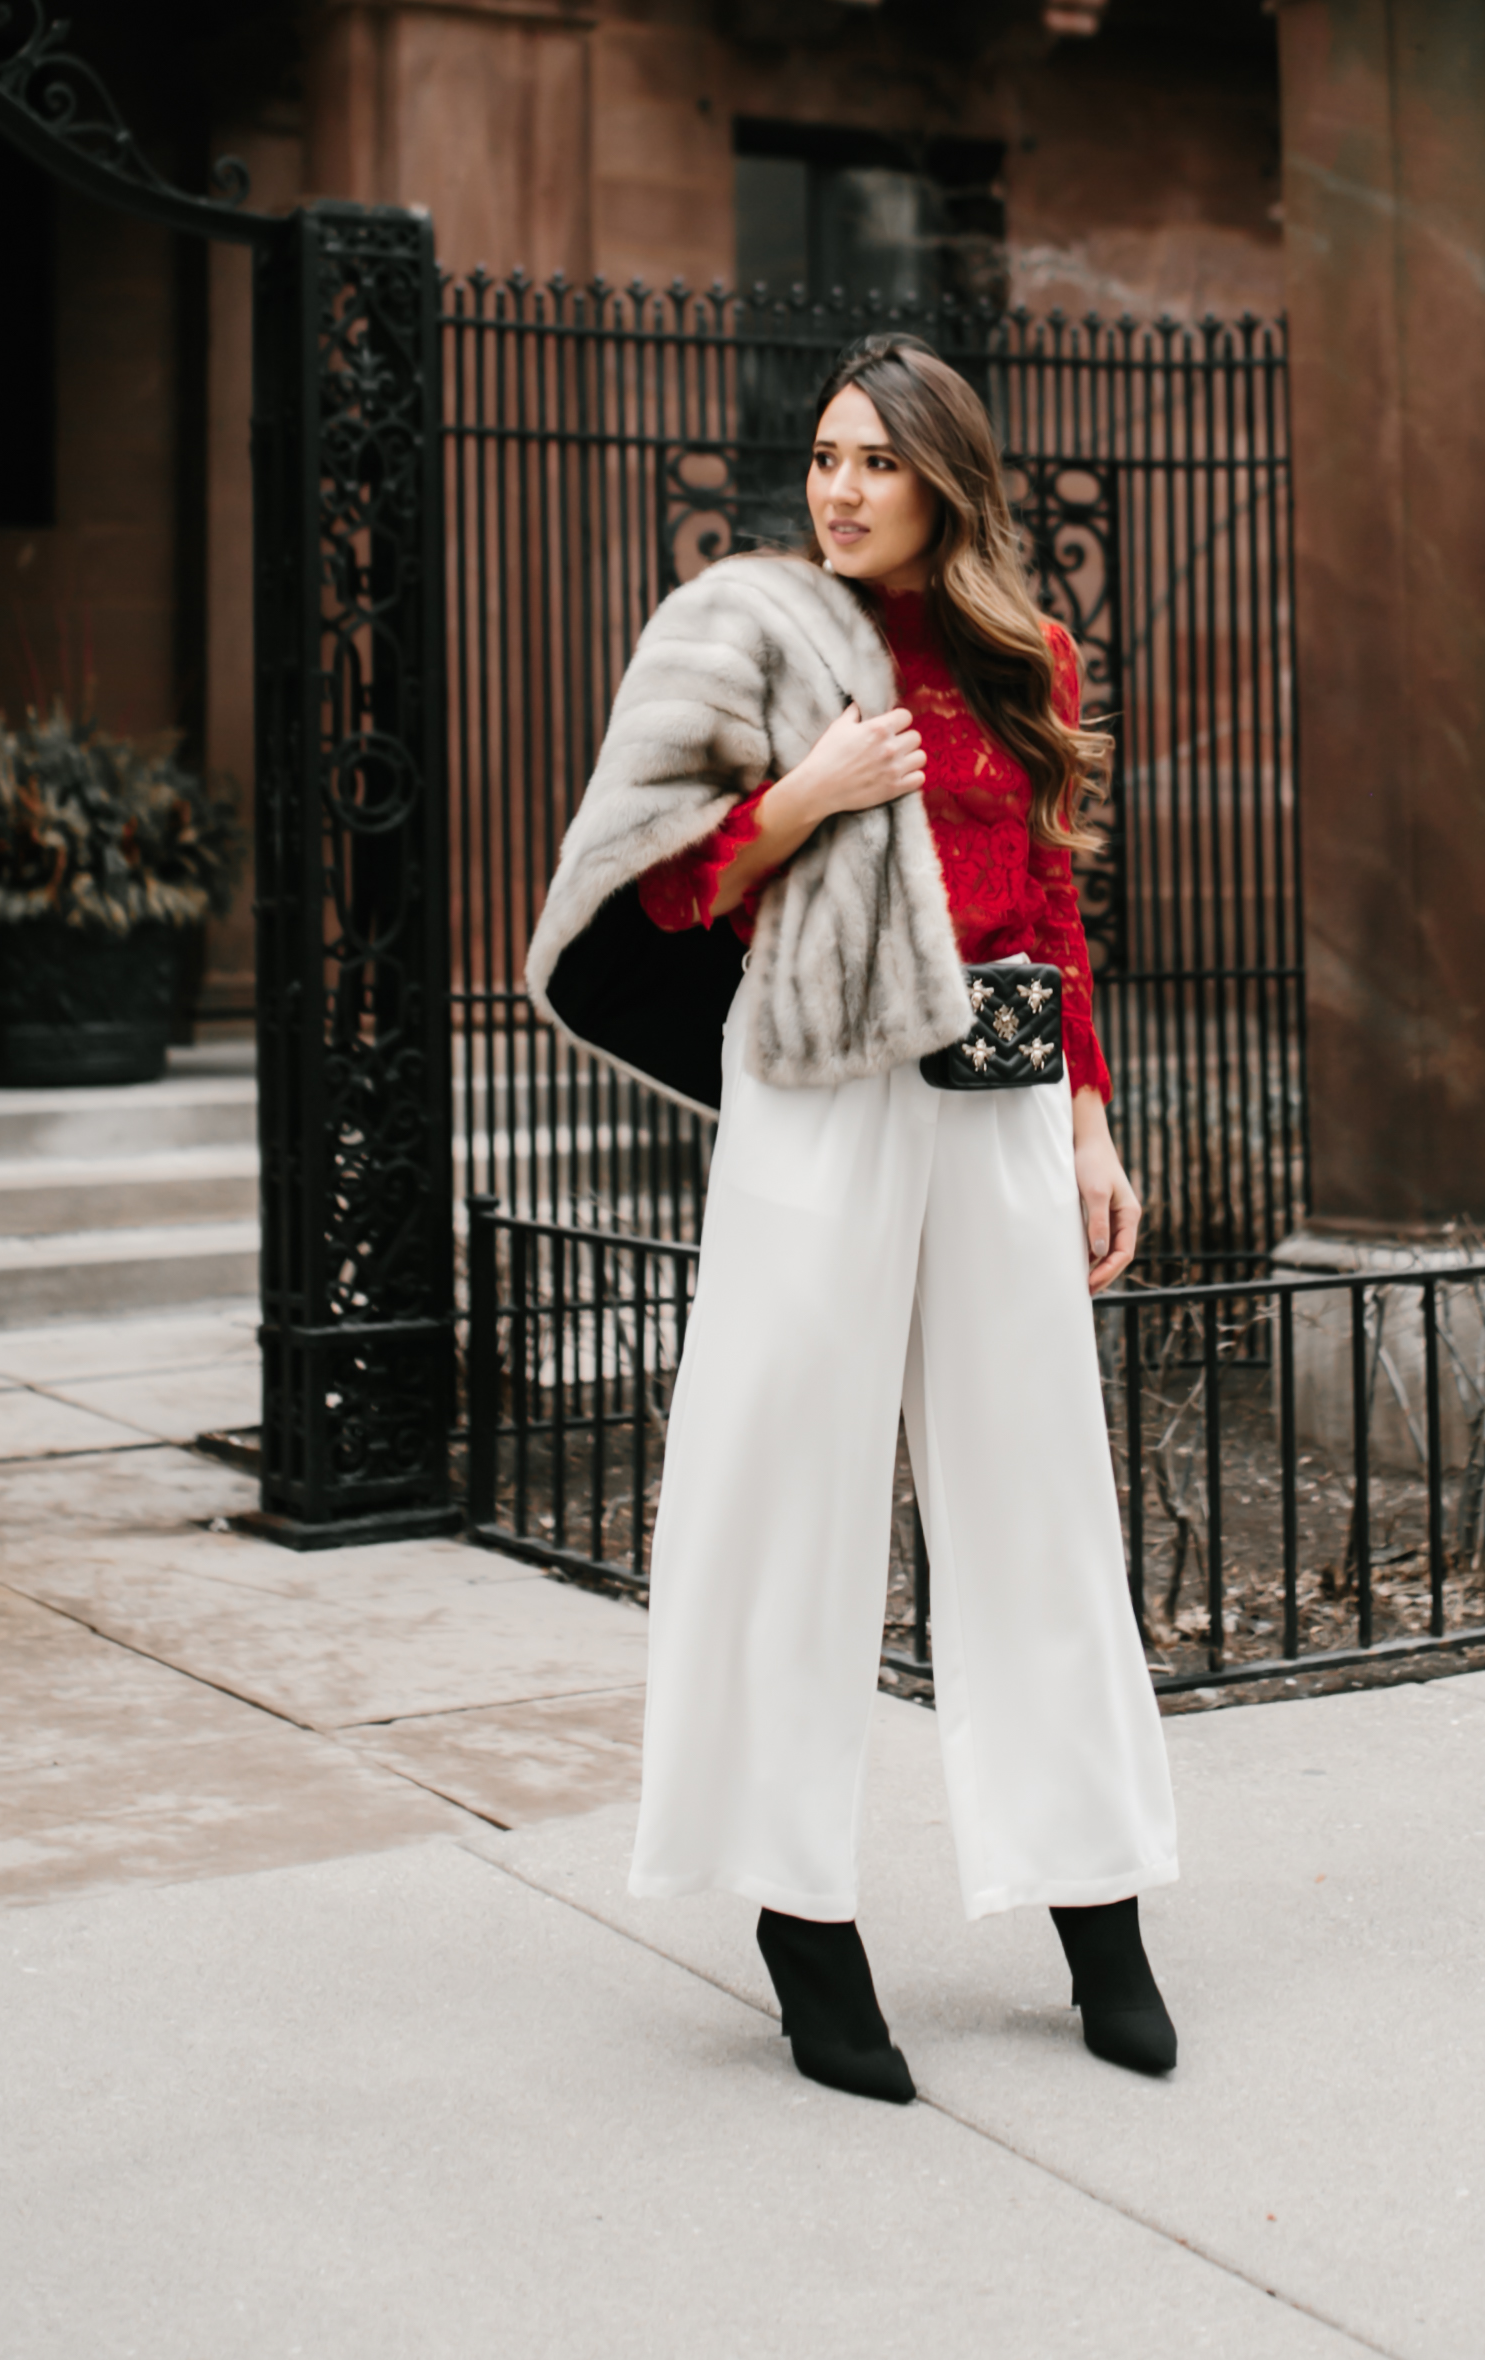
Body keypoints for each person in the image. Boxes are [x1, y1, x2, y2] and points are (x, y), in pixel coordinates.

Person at [526, 336, 1178, 2104]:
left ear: (944, 481)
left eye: (875, 462)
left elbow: (1050, 894)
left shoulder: (1023, 656)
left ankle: (1095, 1900)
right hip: (818, 1095)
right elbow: (666, 883)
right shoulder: (751, 637)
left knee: (1038, 1491)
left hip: (996, 1097)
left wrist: (1091, 1129)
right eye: (823, 456)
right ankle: (799, 1922)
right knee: (783, 1489)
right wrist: (807, 795)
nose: (837, 489)